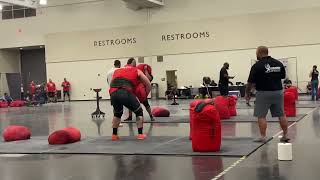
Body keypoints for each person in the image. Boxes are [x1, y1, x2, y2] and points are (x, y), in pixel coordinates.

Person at [246, 46, 289, 143]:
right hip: (278, 92)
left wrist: (247, 93)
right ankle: (285, 135)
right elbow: (283, 76)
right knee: (281, 114)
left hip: (263, 93)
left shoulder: (256, 66)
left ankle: (263, 136)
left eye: (256, 53)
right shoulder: (278, 63)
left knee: (261, 116)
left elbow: (250, 82)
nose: (256, 55)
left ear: (259, 53)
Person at [109, 62, 151, 141]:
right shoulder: (137, 70)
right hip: (124, 91)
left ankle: (114, 135)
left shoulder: (117, 70)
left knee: (117, 114)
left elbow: (112, 83)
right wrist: (144, 97)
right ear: (134, 66)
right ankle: (140, 134)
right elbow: (148, 84)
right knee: (139, 112)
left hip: (113, 92)